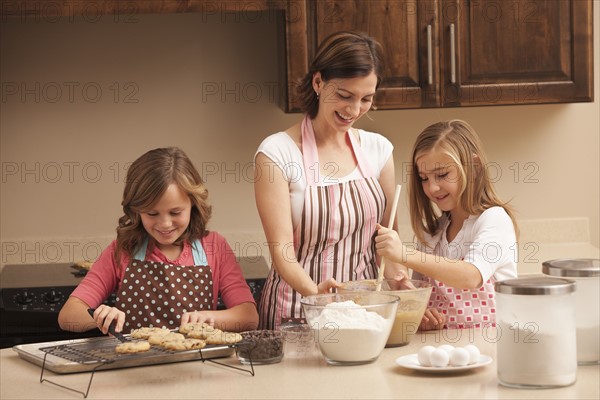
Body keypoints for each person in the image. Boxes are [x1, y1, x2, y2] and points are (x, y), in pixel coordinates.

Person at [254, 31, 407, 330]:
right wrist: (317, 297)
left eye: (366, 99)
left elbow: (388, 243)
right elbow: (282, 252)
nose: (354, 110)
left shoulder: (377, 150)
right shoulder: (276, 153)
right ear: (318, 82)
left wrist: (400, 281)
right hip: (296, 312)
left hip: (364, 314)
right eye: (345, 96)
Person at [58, 147, 258, 335]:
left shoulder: (214, 247)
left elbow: (248, 317)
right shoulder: (122, 250)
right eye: (152, 213)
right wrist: (99, 317)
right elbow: (68, 315)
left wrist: (209, 318)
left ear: (193, 204)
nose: (165, 223)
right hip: (130, 368)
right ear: (136, 210)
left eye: (175, 212)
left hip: (196, 367)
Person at [375, 120, 518, 330]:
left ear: (474, 167)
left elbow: (471, 276)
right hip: (440, 350)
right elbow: (420, 295)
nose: (432, 187)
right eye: (424, 178)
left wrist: (403, 254)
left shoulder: (494, 219)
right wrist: (419, 309)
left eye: (442, 174)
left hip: (491, 348)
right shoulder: (432, 233)